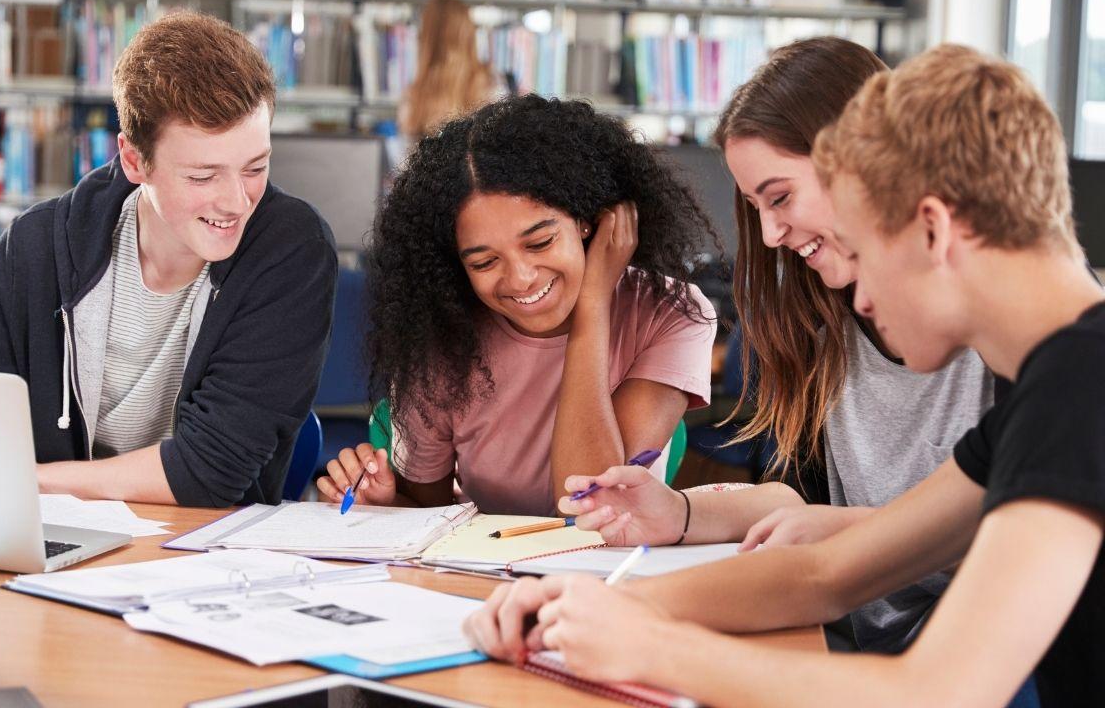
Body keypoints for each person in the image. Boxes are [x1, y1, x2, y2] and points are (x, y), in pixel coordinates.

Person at [466, 44, 1103, 708]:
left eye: (862, 248)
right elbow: (827, 572)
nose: (857, 299)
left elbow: (938, 691)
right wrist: (589, 603)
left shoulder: (1080, 384)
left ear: (932, 231)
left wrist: (656, 647)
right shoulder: (1047, 393)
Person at [563, 37, 996, 653]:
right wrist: (678, 515)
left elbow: (1009, 548)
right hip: (847, 642)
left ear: (866, 163)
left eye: (782, 196)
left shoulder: (1015, 339)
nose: (769, 235)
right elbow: (801, 501)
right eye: (756, 208)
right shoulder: (825, 315)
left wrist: (625, 611)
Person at [316, 94, 800, 522]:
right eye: (484, 261)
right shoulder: (445, 330)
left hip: (610, 571)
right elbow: (429, 515)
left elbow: (592, 498)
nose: (520, 278)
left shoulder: (670, 313)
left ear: (591, 221)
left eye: (541, 241)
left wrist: (593, 304)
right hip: (481, 576)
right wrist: (384, 507)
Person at [0, 12, 338, 507]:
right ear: (134, 161)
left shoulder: (291, 250)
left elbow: (210, 471)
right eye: (202, 176)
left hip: (204, 549)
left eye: (255, 167)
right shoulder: (35, 245)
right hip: (46, 537)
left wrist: (32, 480)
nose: (236, 202)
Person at [398, 0, 499, 140]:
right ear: (468, 34)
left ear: (428, 37)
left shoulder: (413, 98)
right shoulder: (490, 86)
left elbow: (406, 155)